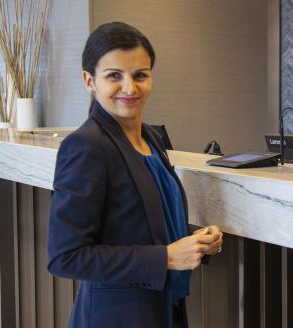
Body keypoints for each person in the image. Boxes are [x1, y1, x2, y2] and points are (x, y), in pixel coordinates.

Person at [47, 22, 223, 328]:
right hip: (119, 317)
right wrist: (166, 257)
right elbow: (66, 256)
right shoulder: (86, 146)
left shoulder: (151, 138)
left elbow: (144, 221)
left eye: (140, 74)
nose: (130, 87)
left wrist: (193, 242)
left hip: (167, 310)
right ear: (89, 81)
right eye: (114, 76)